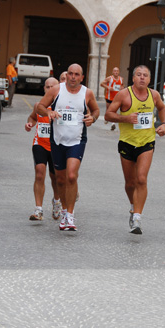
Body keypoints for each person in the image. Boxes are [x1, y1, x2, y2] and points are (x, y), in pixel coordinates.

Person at [104, 65, 165, 235]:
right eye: (138, 75)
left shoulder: (154, 95)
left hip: (146, 142)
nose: (142, 78)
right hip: (126, 142)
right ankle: (133, 207)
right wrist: (125, 118)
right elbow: (108, 114)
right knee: (130, 183)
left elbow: (162, 108)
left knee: (141, 179)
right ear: (133, 78)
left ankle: (137, 217)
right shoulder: (124, 94)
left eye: (145, 75)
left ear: (149, 79)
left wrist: (164, 124)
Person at [37, 64, 100, 231]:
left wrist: (92, 118)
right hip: (57, 140)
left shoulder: (87, 93)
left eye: (76, 74)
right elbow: (40, 106)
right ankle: (64, 211)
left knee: (72, 176)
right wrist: (49, 113)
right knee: (61, 179)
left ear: (82, 77)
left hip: (77, 140)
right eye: (70, 73)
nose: (73, 77)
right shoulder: (56, 90)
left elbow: (96, 110)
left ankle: (70, 215)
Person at [25, 77, 62, 221]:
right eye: (47, 87)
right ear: (44, 89)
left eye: (53, 86)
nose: (49, 89)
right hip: (39, 144)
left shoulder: (62, 106)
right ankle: (38, 209)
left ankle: (57, 201)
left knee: (55, 178)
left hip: (56, 146)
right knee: (39, 173)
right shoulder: (38, 105)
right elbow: (32, 117)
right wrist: (29, 124)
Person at [100, 67, 124, 131]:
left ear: (119, 72)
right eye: (114, 71)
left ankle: (113, 123)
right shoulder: (109, 78)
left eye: (117, 71)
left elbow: (122, 86)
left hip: (117, 98)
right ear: (112, 72)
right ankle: (107, 118)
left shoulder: (121, 79)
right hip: (109, 97)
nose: (116, 72)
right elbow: (101, 84)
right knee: (108, 110)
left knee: (113, 111)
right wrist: (108, 87)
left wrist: (122, 88)